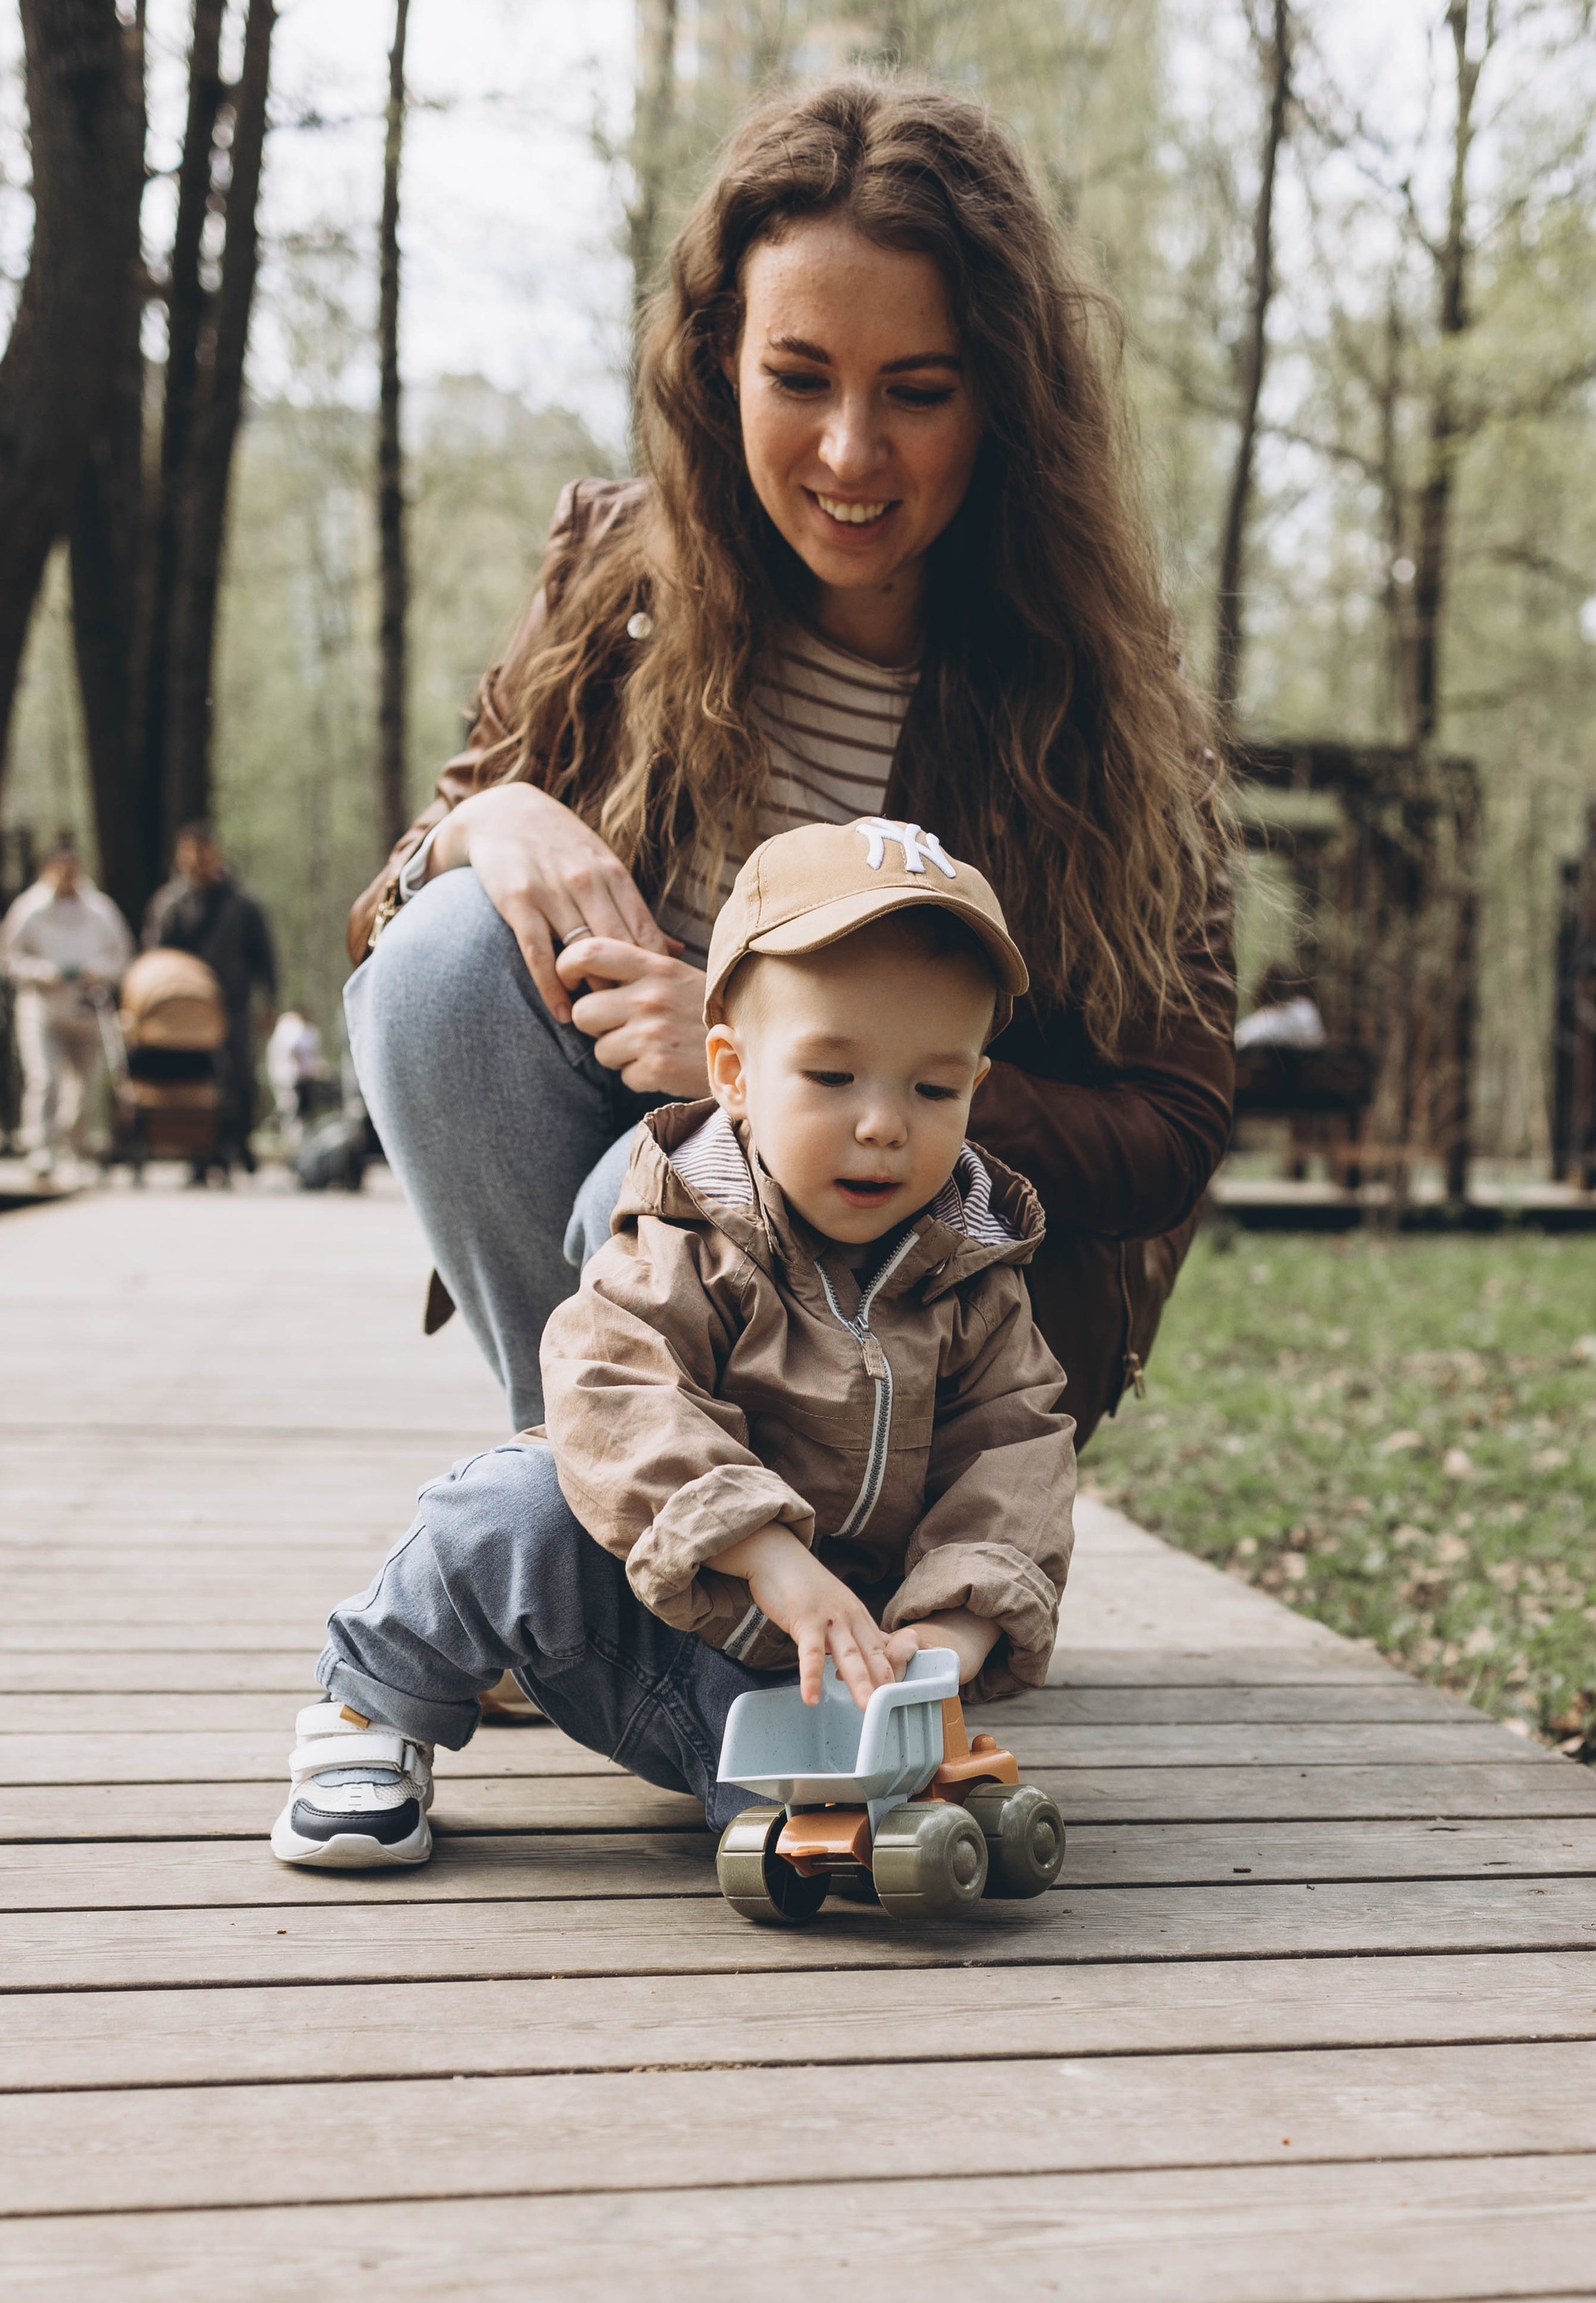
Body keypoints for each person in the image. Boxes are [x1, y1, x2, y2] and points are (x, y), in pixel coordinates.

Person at [342, 75, 1234, 1447]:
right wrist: (494, 821)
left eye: (918, 392)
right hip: (633, 1297)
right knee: (448, 959)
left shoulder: (1106, 684)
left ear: (1000, 397)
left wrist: (787, 1053)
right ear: (719, 364)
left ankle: (715, 1562)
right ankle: (596, 1500)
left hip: (927, 1352)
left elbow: (1171, 1132)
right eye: (799, 377)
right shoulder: (609, 578)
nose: (850, 451)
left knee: (650, 1177)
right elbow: (387, 952)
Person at [272, 816, 1076, 1870]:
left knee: (817, 1819)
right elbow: (613, 1390)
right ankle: (368, 1713)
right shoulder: (690, 1233)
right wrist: (764, 1550)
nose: (885, 1123)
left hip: (809, 1663)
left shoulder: (974, 1278)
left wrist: (955, 1628)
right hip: (651, 1596)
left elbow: (1015, 1456)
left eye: (935, 1088)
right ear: (733, 1074)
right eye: (832, 1077)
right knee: (514, 1503)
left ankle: (824, 1813)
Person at [144, 822, 278, 1172]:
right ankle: (201, 1149)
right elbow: (156, 956)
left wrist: (271, 1002)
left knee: (240, 1076)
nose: (198, 862)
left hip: (233, 1002)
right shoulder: (170, 904)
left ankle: (240, 1143)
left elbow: (265, 955)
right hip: (186, 1009)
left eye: (204, 853)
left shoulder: (242, 903)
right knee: (194, 1079)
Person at [0, 836, 133, 1181]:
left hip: (88, 1009)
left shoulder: (101, 910)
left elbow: (121, 955)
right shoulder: (28, 909)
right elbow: (10, 958)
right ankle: (40, 1146)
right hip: (42, 1007)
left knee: (84, 1085)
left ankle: (76, 1146)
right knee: (44, 1077)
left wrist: (98, 971)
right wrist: (42, 972)